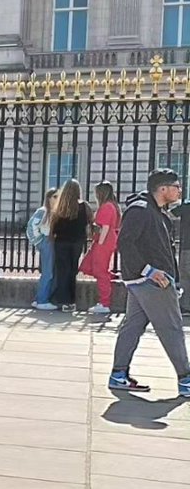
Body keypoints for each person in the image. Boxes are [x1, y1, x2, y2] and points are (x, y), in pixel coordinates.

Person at [108, 168, 190, 397]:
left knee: (132, 328)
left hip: (146, 281)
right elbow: (125, 242)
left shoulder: (156, 211)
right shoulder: (141, 210)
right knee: (172, 328)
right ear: (163, 189)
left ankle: (118, 374)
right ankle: (186, 379)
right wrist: (150, 271)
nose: (180, 190)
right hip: (150, 282)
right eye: (176, 186)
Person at [49, 179, 91, 312]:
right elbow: (90, 221)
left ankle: (63, 300)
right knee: (72, 270)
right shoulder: (84, 206)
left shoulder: (60, 206)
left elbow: (53, 226)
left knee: (62, 271)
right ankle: (71, 301)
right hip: (77, 241)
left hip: (61, 241)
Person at [82, 181, 121, 317]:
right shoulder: (112, 206)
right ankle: (110, 276)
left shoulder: (106, 207)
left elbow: (105, 227)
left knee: (99, 270)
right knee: (89, 265)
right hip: (106, 240)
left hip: (103, 241)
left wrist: (100, 243)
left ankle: (104, 303)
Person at [27, 188, 58, 310]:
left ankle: (40, 298)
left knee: (49, 271)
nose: (57, 199)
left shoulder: (53, 212)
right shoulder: (42, 211)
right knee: (48, 272)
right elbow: (31, 226)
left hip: (50, 241)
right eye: (55, 197)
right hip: (46, 241)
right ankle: (42, 300)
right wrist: (39, 242)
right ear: (49, 198)